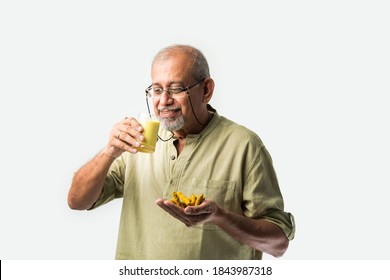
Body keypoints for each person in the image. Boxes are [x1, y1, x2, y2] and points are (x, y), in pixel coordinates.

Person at [68, 44, 295, 260]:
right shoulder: (137, 140)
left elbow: (278, 244)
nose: (164, 101)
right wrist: (110, 151)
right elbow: (77, 201)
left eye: (176, 89)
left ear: (206, 90)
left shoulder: (244, 145)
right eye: (157, 90)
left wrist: (220, 217)